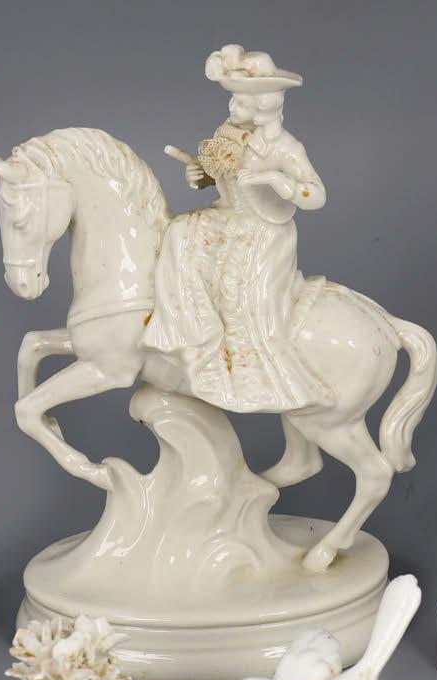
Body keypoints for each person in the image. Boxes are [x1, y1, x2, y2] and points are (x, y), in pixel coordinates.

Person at [143, 45, 326, 412]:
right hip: (227, 218)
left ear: (262, 108)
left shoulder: (285, 148)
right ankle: (193, 336)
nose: (232, 107)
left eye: (241, 102)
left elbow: (316, 194)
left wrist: (276, 180)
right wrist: (200, 175)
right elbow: (220, 175)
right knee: (178, 234)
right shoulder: (227, 133)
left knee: (242, 294)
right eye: (232, 99)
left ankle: (252, 372)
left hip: (264, 231)